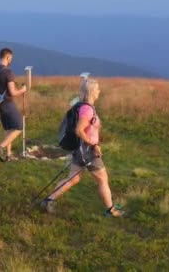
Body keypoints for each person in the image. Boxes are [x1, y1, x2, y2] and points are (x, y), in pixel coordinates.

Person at [41, 79, 125, 217]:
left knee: (73, 179)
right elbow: (79, 130)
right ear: (91, 91)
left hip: (80, 150)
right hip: (87, 151)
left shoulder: (83, 106)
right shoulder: (87, 109)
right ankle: (111, 210)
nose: (99, 91)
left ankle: (49, 200)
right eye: (97, 89)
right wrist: (93, 145)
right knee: (103, 179)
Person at [0, 48, 27, 162]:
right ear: (8, 57)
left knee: (8, 128)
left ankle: (8, 155)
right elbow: (13, 92)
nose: (11, 60)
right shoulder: (8, 72)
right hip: (7, 103)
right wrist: (23, 90)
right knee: (19, 126)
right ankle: (0, 148)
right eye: (11, 58)